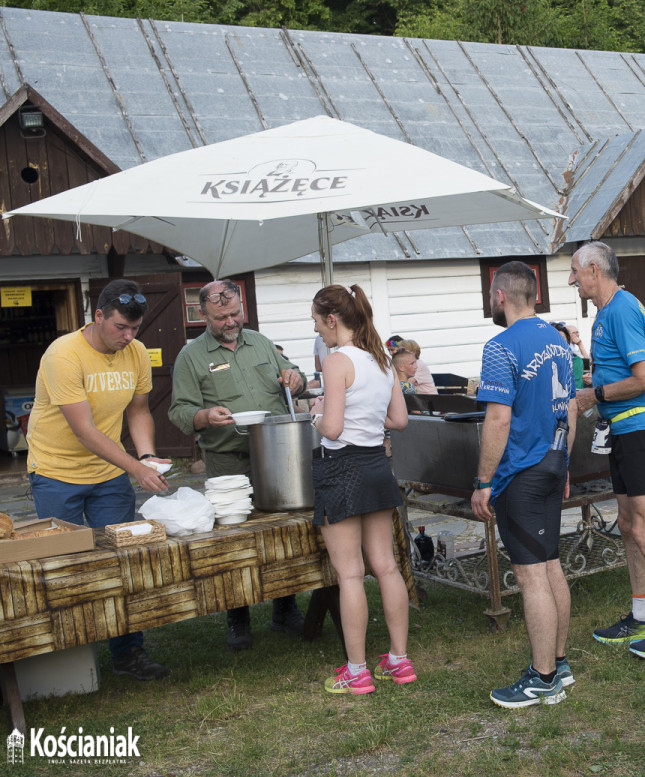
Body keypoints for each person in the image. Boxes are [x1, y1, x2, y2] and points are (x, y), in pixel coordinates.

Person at [25, 279, 171, 680]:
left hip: (108, 473)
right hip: (56, 472)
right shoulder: (63, 355)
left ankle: (128, 654)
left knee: (122, 559)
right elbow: (84, 430)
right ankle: (67, 661)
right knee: (65, 565)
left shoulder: (137, 353)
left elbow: (139, 410)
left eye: (135, 329)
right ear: (99, 316)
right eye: (120, 328)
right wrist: (135, 468)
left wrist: (145, 456)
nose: (128, 337)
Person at [168, 279, 308, 651]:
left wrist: (295, 378)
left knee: (282, 532)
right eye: (221, 317)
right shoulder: (191, 356)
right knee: (232, 540)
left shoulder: (260, 342)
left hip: (275, 452)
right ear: (203, 314)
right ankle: (237, 617)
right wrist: (203, 416)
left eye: (235, 314)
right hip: (227, 457)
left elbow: (295, 377)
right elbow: (179, 412)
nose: (230, 322)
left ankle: (285, 607)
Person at [569, 240, 645, 660]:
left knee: (644, 529)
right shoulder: (605, 313)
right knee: (626, 524)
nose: (571, 280)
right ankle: (642, 615)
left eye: (575, 272)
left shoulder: (621, 309)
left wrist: (594, 394)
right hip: (622, 430)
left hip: (644, 430)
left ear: (594, 270)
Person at [471, 262, 578, 707]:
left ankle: (543, 677)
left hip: (521, 472)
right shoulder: (559, 341)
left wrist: (482, 481)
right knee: (550, 564)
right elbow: (570, 406)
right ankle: (559, 662)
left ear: (499, 296)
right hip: (553, 463)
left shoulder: (500, 347)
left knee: (532, 575)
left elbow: (498, 418)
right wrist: (564, 462)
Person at [309, 284, 414, 695]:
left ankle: (357, 670)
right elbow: (400, 421)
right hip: (375, 466)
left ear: (332, 320)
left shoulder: (337, 361)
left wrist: (316, 415)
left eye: (318, 324)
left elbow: (332, 429)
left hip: (342, 468)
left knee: (350, 574)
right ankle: (399, 661)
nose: (318, 332)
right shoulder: (382, 360)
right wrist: (367, 416)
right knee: (386, 567)